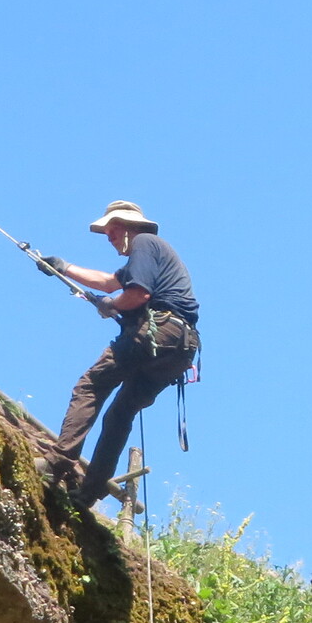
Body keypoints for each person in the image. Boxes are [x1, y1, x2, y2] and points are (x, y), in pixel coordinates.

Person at [40, 200, 200, 509]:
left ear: (127, 228)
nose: (109, 238)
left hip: (159, 333)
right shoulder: (151, 254)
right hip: (180, 349)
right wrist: (63, 267)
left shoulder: (144, 242)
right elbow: (108, 282)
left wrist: (112, 305)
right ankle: (88, 494)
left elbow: (138, 294)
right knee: (120, 414)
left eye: (112, 231)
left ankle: (57, 463)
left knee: (91, 386)